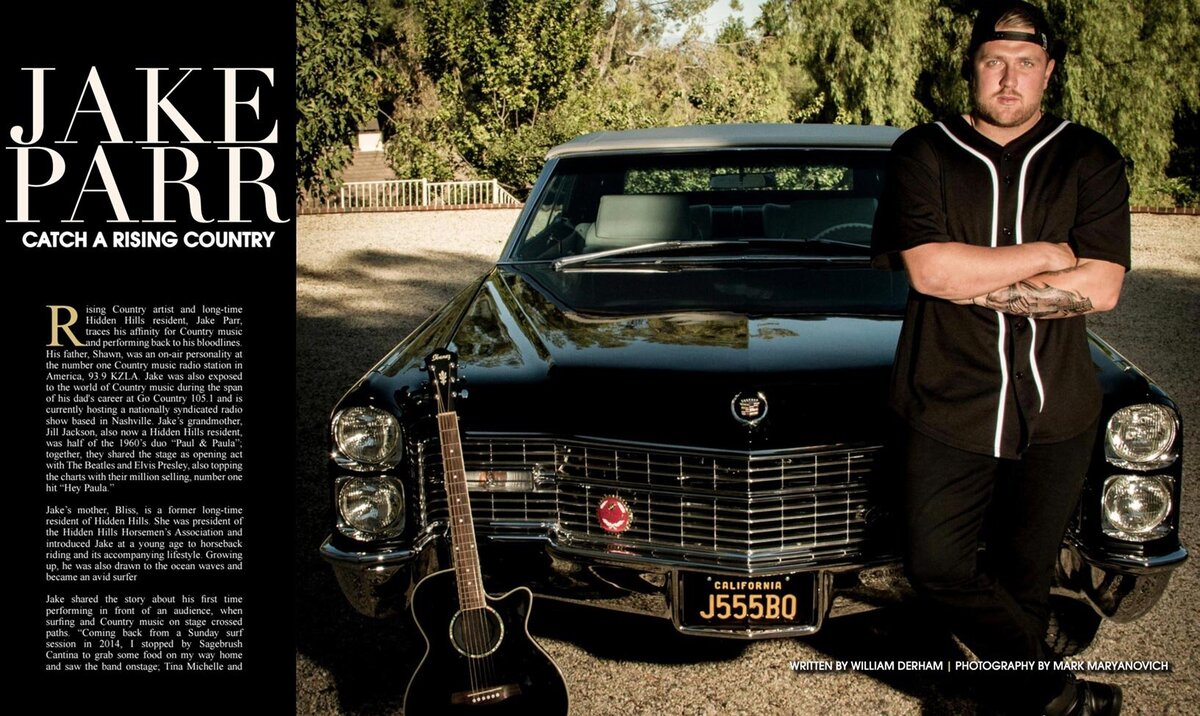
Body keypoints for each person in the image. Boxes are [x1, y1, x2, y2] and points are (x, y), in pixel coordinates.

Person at [870, 2, 1130, 714]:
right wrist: (1049, 256)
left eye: (1025, 63)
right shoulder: (922, 152)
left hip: (1056, 411)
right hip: (945, 400)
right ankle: (1058, 695)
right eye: (994, 61)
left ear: (1048, 71)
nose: (1008, 78)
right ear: (973, 68)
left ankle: (996, 704)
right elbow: (931, 275)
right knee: (938, 566)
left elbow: (1102, 286)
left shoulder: (1090, 158)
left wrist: (976, 275)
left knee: (1024, 580)